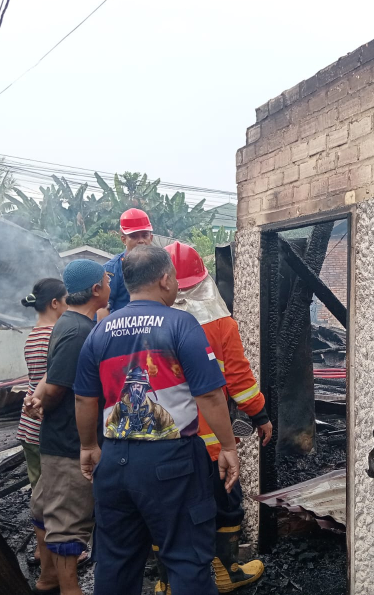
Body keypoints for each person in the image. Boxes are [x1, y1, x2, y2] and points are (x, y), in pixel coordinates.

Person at [73, 245, 240, 595]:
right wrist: (227, 446)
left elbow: (84, 397)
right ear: (165, 279)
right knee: (186, 560)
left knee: (116, 562)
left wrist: (89, 445)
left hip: (114, 463)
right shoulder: (180, 323)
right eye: (175, 277)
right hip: (172, 465)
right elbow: (208, 395)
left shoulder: (99, 332)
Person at [151, 242, 270, 594]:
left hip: (159, 444)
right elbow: (238, 381)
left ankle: (167, 582)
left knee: (166, 511)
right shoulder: (220, 324)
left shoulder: (142, 325)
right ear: (202, 279)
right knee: (225, 505)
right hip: (211, 445)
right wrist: (260, 413)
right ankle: (226, 571)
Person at [27, 260, 111, 595]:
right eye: (106, 281)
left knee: (47, 507)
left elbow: (52, 375)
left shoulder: (69, 323)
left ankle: (48, 579)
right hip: (68, 441)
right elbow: (60, 385)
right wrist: (40, 403)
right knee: (68, 521)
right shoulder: (79, 331)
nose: (109, 285)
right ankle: (69, 589)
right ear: (95, 290)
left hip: (59, 440)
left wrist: (35, 398)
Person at [18, 278, 67, 568]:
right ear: (54, 303)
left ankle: (41, 551)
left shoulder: (32, 335)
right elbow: (54, 381)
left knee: (38, 492)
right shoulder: (56, 335)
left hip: (28, 426)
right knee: (52, 496)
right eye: (66, 300)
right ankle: (51, 556)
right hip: (44, 424)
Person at [97, 207, 154, 321]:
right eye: (134, 236)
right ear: (123, 239)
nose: (141, 240)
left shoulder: (160, 266)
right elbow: (102, 308)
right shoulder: (111, 269)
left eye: (144, 235)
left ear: (151, 237)